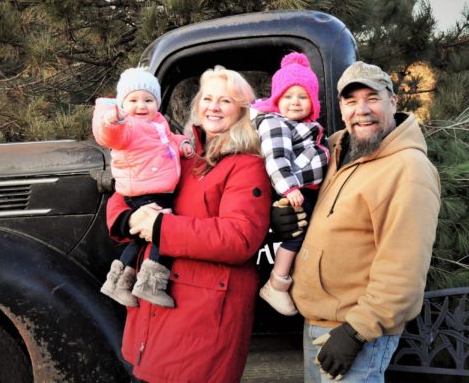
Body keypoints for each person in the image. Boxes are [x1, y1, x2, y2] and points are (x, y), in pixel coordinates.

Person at [271, 61, 440, 382]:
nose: (361, 110)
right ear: (341, 107)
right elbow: (321, 209)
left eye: (372, 98)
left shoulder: (408, 170)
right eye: (350, 101)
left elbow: (404, 269)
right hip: (318, 318)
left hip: (355, 329)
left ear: (393, 101)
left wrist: (357, 332)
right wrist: (284, 216)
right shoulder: (335, 148)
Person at [104, 66, 272, 383]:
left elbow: (239, 238)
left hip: (203, 316)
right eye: (207, 98)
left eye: (226, 100)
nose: (214, 106)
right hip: (157, 311)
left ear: (242, 109)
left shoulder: (247, 165)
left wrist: (159, 228)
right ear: (197, 105)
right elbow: (127, 190)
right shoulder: (180, 155)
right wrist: (130, 218)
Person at [92, 67, 195, 308]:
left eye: (148, 100)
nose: (141, 106)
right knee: (164, 231)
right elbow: (110, 137)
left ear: (157, 103)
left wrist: (183, 144)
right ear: (122, 103)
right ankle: (151, 285)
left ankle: (118, 283)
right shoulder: (126, 127)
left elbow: (168, 142)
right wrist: (112, 120)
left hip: (156, 188)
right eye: (133, 100)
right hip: (143, 189)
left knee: (138, 240)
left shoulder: (158, 123)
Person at [251, 52, 329, 316]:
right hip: (294, 191)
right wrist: (289, 187)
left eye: (302, 96)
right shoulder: (275, 123)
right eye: (287, 96)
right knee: (296, 235)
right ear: (276, 100)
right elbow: (276, 157)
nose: (295, 102)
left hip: (308, 190)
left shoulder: (307, 125)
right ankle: (277, 282)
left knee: (308, 237)